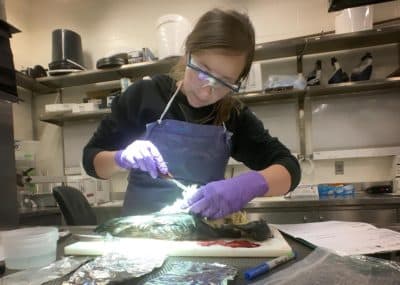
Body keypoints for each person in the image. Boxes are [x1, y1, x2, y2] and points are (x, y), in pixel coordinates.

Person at [82, 8, 301, 219]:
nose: (206, 92)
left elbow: (289, 168)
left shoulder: (233, 115)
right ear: (188, 53)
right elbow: (91, 161)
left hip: (204, 238)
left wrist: (250, 184)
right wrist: (120, 158)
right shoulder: (145, 95)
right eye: (202, 70)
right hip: (141, 238)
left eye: (224, 82)